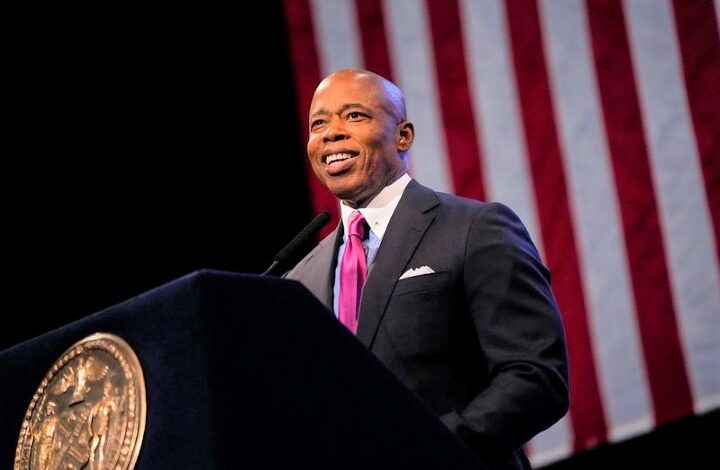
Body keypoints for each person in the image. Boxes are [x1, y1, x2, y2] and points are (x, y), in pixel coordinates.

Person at [285, 68, 569, 469]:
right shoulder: (299, 279)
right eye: (318, 123)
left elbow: (536, 378)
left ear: (403, 136)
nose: (331, 133)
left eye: (354, 116)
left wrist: (429, 450)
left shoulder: (474, 228)